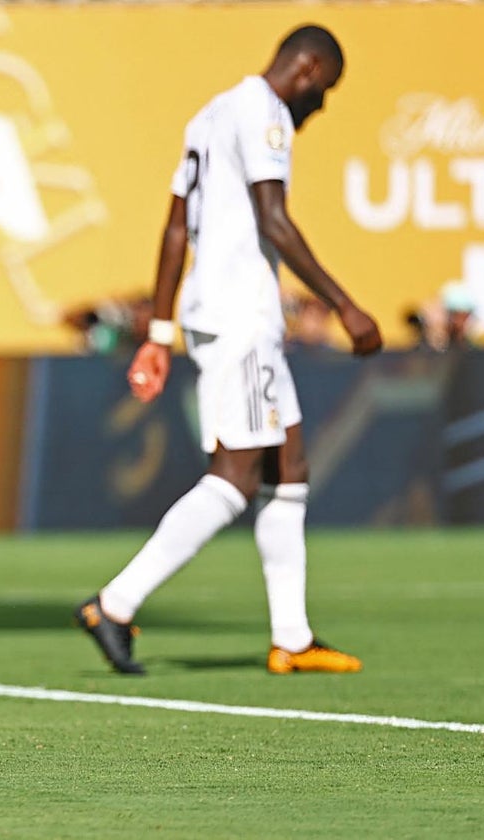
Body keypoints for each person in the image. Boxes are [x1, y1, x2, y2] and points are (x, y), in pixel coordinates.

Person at [74, 25, 383, 676]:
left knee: (288, 467)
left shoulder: (211, 112)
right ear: (308, 69)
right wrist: (344, 305)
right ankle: (115, 603)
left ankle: (292, 638)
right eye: (325, 89)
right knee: (236, 477)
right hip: (241, 314)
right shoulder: (264, 114)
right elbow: (274, 219)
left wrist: (159, 332)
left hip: (226, 313)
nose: (321, 105)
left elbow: (174, 228)